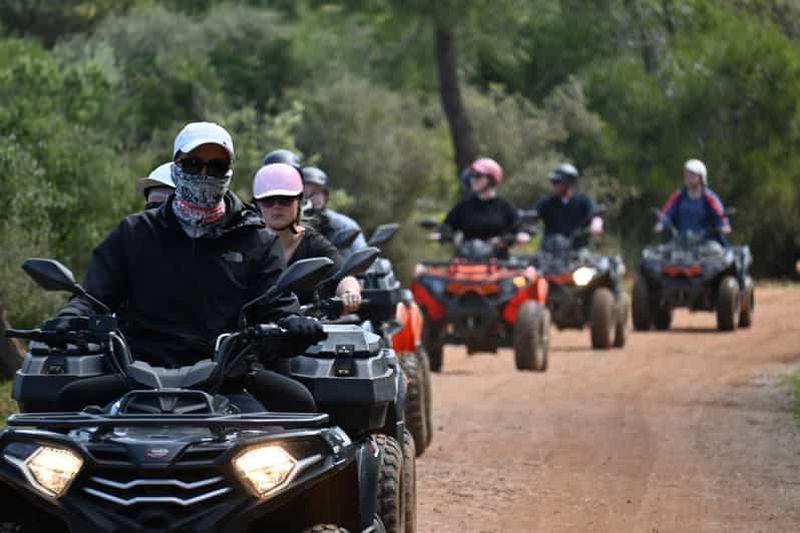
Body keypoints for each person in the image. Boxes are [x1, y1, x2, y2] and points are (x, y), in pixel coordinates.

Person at [55, 122, 323, 410]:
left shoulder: (257, 240)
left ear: (229, 172)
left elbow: (277, 307)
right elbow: (93, 297)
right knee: (60, 411)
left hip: (226, 383)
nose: (204, 174)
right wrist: (71, 317)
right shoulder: (134, 232)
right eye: (193, 164)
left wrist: (293, 326)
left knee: (301, 410)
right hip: (136, 380)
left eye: (216, 166)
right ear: (175, 167)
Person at [252, 163, 362, 312]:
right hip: (251, 325)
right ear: (258, 204)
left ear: (299, 202)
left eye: (285, 200)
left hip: (304, 325)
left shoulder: (314, 243)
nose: (276, 206)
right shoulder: (246, 243)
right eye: (268, 201)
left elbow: (343, 276)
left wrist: (349, 292)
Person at [441, 157, 528, 257]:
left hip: (497, 261)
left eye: (478, 176)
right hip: (465, 260)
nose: (473, 180)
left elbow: (518, 226)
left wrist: (521, 234)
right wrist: (443, 234)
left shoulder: (504, 206)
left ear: (491, 179)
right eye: (471, 176)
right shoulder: (463, 206)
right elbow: (446, 226)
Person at [656, 159, 731, 241]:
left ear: (700, 177)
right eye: (686, 174)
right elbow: (667, 211)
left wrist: (724, 225)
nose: (688, 177)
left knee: (716, 248)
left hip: (706, 240)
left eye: (692, 174)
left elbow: (720, 214)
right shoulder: (679, 195)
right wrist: (661, 222)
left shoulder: (709, 197)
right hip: (682, 240)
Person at [533, 163, 603, 249]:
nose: (553, 185)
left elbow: (595, 214)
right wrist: (524, 232)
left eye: (557, 182)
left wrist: (596, 223)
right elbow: (532, 216)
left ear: (569, 183)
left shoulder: (584, 200)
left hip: (577, 249)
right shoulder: (546, 201)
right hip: (550, 248)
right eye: (552, 182)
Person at [302, 166, 368, 252]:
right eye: (303, 194)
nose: (308, 198)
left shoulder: (343, 225)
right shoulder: (289, 227)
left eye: (314, 193)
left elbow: (361, 254)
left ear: (325, 195)